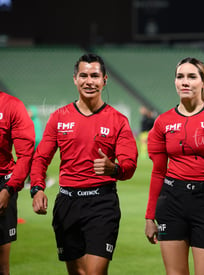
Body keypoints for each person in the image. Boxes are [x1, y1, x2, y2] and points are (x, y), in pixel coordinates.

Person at [30, 53, 138, 275]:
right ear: (75, 79)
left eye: (95, 76)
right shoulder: (59, 117)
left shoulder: (118, 120)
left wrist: (114, 169)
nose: (89, 81)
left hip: (102, 203)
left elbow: (129, 164)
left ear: (104, 80)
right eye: (84, 75)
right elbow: (41, 158)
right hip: (67, 204)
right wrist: (37, 188)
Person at [144, 57, 204, 275]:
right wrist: (150, 216)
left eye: (191, 77)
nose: (185, 82)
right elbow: (158, 172)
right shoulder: (162, 122)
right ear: (175, 82)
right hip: (172, 202)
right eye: (180, 77)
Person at [0, 91, 35, 274]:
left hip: (2, 187)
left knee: (2, 266)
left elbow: (25, 155)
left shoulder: (12, 105)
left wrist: (9, 189)